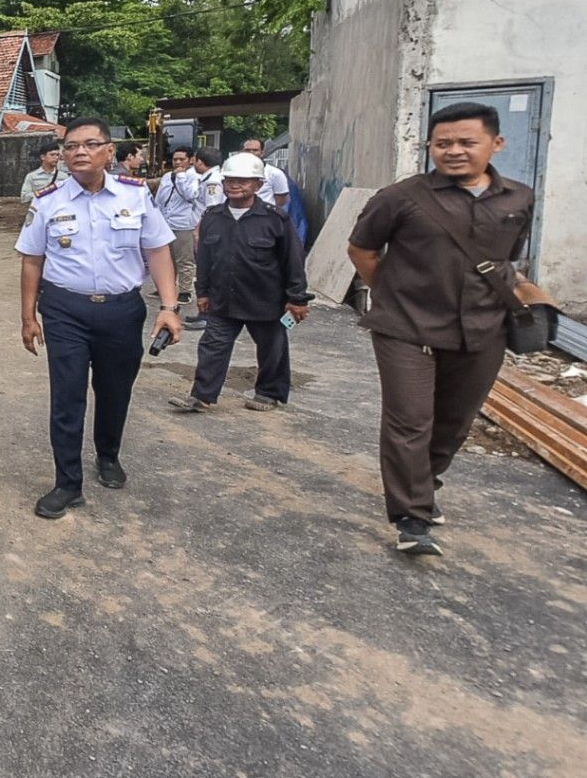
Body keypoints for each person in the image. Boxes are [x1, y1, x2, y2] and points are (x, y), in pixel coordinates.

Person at [347, 102, 535, 557]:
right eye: (442, 143)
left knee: (454, 421)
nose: (453, 151)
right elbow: (362, 251)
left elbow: (508, 258)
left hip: (483, 328)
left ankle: (425, 483)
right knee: (409, 419)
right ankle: (412, 516)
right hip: (406, 327)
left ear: (496, 144)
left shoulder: (518, 198)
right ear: (429, 146)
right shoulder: (400, 197)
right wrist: (394, 296)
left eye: (466, 142)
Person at [16, 118, 181, 519]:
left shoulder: (136, 196)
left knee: (114, 390)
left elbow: (158, 252)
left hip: (122, 310)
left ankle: (108, 455)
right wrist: (28, 316)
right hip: (65, 310)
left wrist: (170, 308)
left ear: (110, 151)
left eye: (90, 144)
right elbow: (32, 261)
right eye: (71, 146)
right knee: (67, 397)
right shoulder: (48, 201)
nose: (79, 152)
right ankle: (67, 483)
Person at [168, 153, 310, 415]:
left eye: (243, 181)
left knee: (272, 349)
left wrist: (297, 298)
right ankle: (202, 396)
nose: (235, 185)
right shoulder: (213, 217)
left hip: (266, 300)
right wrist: (203, 292)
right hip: (224, 299)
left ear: (257, 185)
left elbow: (293, 260)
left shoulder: (274, 219)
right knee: (212, 346)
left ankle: (268, 393)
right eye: (230, 180)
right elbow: (206, 258)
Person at [152, 146, 203, 320]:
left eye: (182, 159)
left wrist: (181, 177)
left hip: (184, 223)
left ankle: (185, 290)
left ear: (190, 160)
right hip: (166, 222)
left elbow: (190, 196)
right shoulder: (167, 176)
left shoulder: (194, 177)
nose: (178, 162)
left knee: (184, 259)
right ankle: (167, 288)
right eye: (175, 159)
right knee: (167, 258)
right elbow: (159, 198)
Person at [240, 138, 292, 206]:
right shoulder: (232, 173)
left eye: (255, 150)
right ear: (241, 152)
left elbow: (281, 199)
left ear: (262, 153)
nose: (251, 153)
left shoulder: (275, 173)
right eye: (247, 150)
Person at [194, 147, 225, 212]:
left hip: (205, 221)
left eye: (194, 160)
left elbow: (213, 209)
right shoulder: (212, 176)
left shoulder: (212, 182)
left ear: (199, 162)